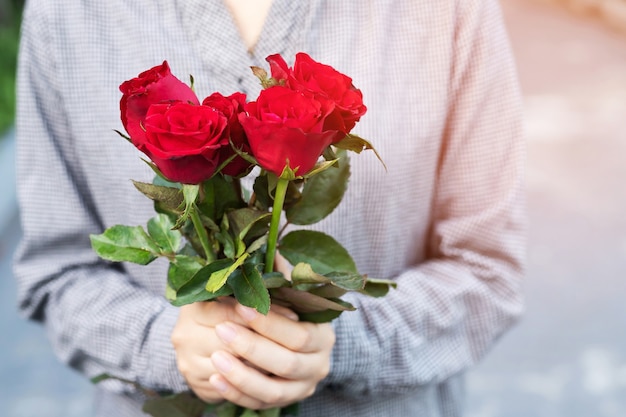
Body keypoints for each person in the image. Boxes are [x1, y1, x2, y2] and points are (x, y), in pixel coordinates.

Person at [13, 0, 527, 416]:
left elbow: (489, 273)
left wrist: (338, 344)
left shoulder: (449, 12)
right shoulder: (66, 14)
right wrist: (167, 344)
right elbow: (55, 273)